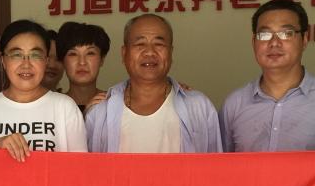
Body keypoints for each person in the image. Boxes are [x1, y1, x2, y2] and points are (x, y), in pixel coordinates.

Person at [220, 0, 315, 153]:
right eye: (264, 34)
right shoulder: (234, 104)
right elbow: (220, 164)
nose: (274, 43)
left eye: (286, 33)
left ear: (304, 40)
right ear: (253, 42)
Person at [87, 13, 221, 153]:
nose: (150, 52)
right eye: (140, 44)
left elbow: (217, 165)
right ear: (124, 53)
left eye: (159, 44)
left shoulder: (199, 107)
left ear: (171, 53)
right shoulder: (100, 113)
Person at [0, 19, 87, 160]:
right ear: (3, 60)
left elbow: (80, 167)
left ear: (46, 60)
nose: (26, 65)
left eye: (35, 55)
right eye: (17, 55)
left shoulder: (66, 107)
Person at [56, 21, 110, 114]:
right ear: (62, 61)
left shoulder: (113, 102)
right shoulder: (53, 105)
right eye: (73, 54)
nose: (82, 62)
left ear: (102, 59)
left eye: (90, 53)